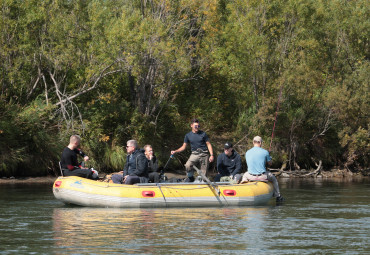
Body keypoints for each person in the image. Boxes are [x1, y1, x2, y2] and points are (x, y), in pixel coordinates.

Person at [241, 136, 284, 202]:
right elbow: (270, 163)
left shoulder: (247, 152)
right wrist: (270, 158)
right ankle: (278, 196)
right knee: (274, 179)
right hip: (262, 176)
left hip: (250, 176)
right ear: (260, 143)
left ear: (253, 142)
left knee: (244, 174)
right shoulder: (265, 152)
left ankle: (244, 181)